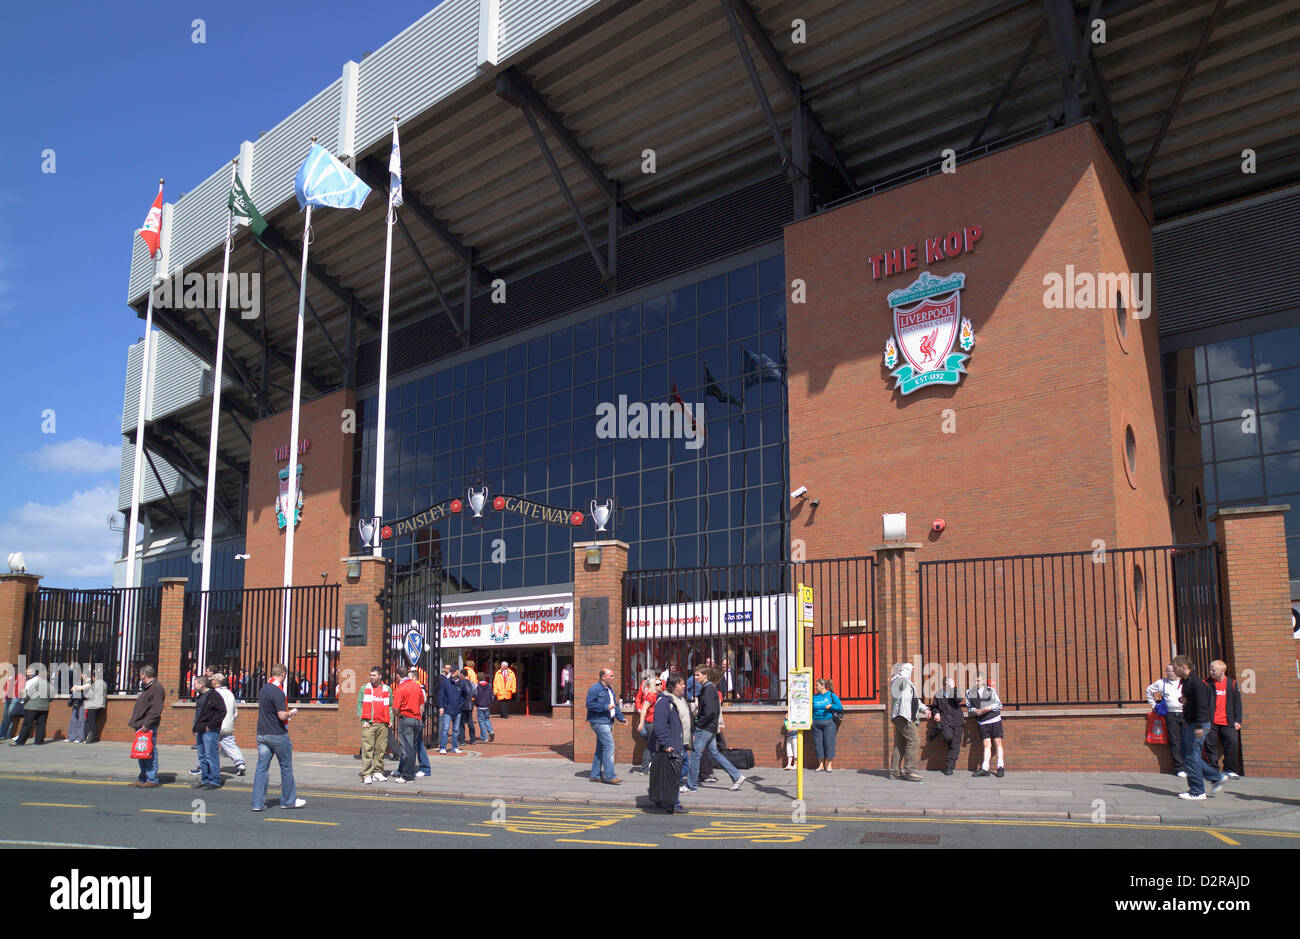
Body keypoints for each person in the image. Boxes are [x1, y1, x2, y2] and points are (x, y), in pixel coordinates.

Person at [1172, 655, 1227, 800]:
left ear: (1184, 667)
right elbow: (1193, 701)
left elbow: (1203, 706)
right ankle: (1216, 777)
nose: (1173, 669)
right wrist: (1183, 700)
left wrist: (1199, 726)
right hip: (1190, 723)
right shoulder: (1187, 682)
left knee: (1191, 757)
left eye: (1175, 667)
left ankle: (1197, 791)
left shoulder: (1196, 683)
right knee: (1186, 755)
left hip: (1197, 724)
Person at [251, 663, 305, 811]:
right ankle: (288, 801)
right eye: (285, 675)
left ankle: (257, 803)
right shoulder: (277, 691)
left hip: (262, 733)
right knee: (286, 767)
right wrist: (292, 712)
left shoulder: (264, 689)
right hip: (277, 734)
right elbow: (282, 715)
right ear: (282, 674)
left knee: (261, 768)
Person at [687, 666, 746, 791]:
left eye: (698, 675)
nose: (695, 677)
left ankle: (691, 785)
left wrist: (698, 723)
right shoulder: (709, 688)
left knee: (695, 755)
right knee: (714, 753)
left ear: (705, 675)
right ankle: (737, 776)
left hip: (705, 728)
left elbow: (709, 712)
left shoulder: (707, 689)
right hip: (710, 727)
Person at [647, 673, 688, 814]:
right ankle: (673, 802)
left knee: (681, 769)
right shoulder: (665, 701)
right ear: (673, 685)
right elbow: (659, 725)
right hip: (670, 744)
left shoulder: (680, 699)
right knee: (674, 773)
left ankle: (662, 794)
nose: (684, 686)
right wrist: (666, 743)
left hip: (680, 742)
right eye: (681, 683)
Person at [889, 663, 930, 782]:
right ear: (902, 670)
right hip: (903, 716)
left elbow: (915, 700)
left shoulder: (909, 684)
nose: (910, 672)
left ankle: (895, 772)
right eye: (908, 670)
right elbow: (897, 685)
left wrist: (925, 708)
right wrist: (898, 675)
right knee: (914, 741)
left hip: (903, 716)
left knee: (899, 744)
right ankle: (910, 771)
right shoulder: (899, 680)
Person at [586, 668, 627, 784]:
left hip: (607, 721)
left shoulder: (609, 690)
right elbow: (589, 704)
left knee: (601, 749)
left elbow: (614, 706)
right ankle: (610, 776)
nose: (613, 678)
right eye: (611, 676)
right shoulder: (595, 689)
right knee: (609, 746)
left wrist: (621, 718)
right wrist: (605, 707)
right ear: (603, 677)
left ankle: (595, 776)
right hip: (599, 722)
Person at [1204, 659, 1243, 779]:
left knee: (1232, 743)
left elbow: (1237, 703)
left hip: (1227, 721)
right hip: (1211, 721)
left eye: (1213, 670)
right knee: (1209, 745)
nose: (1210, 672)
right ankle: (1213, 770)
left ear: (1222, 671)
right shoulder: (1206, 683)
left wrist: (1237, 720)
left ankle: (1230, 770)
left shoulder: (1231, 683)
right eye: (1210, 669)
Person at [127, 665, 165, 787]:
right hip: (140, 725)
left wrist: (147, 723)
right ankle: (143, 777)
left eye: (140, 674)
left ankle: (152, 779)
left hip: (147, 725)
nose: (139, 676)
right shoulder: (147, 687)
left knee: (150, 751)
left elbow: (156, 709)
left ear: (144, 674)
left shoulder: (156, 688)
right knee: (142, 751)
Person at [1145, 663, 1185, 777]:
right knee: (1174, 741)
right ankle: (1179, 768)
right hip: (1171, 714)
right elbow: (1148, 691)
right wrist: (1153, 705)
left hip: (1185, 713)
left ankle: (1189, 765)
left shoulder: (1185, 682)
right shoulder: (1161, 682)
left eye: (1170, 671)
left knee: (1187, 740)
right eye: (1166, 671)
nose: (1167, 673)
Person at [357, 666, 394, 784]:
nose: (371, 677)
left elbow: (390, 706)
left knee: (381, 750)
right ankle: (366, 774)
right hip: (369, 724)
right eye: (371, 675)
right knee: (367, 749)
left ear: (380, 676)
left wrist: (391, 719)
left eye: (374, 675)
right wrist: (363, 721)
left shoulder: (387, 689)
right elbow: (359, 705)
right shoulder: (364, 688)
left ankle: (378, 771)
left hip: (382, 723)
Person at [964, 671, 1004, 777]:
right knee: (986, 745)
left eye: (978, 680)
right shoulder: (969, 692)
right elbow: (969, 707)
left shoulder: (991, 690)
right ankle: (985, 768)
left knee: (998, 743)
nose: (976, 683)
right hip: (982, 721)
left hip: (994, 719)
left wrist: (989, 708)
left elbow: (999, 704)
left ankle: (1000, 767)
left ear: (984, 681)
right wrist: (974, 710)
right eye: (975, 680)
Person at [192, 676, 227, 790]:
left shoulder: (213, 695)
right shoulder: (201, 696)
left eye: (195, 683)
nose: (193, 685)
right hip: (201, 729)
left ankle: (215, 781)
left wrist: (211, 725)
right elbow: (198, 714)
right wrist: (195, 728)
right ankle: (205, 779)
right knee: (202, 756)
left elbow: (222, 711)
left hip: (210, 731)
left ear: (202, 684)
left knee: (211, 755)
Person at [393, 666, 427, 781]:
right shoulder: (417, 686)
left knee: (406, 748)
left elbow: (396, 708)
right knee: (412, 747)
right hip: (417, 719)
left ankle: (407, 775)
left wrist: (397, 716)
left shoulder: (400, 688)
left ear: (398, 675)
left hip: (406, 719)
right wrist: (419, 717)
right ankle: (406, 771)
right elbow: (422, 705)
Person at [927, 677, 965, 775]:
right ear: (943, 685)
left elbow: (959, 699)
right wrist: (936, 713)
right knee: (948, 737)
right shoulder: (938, 695)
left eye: (951, 685)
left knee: (955, 746)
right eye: (947, 685)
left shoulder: (954, 692)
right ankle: (940, 732)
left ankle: (949, 767)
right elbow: (934, 707)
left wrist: (953, 688)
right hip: (945, 722)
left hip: (957, 721)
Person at [211, 674, 246, 776]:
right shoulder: (230, 694)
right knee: (231, 745)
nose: (211, 681)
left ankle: (201, 767)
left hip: (216, 725)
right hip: (228, 725)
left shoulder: (214, 694)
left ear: (216, 682)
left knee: (207, 746)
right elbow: (235, 712)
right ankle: (240, 764)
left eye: (212, 680)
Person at [11, 665, 51, 747]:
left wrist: (24, 701)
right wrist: (46, 702)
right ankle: (39, 741)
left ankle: (20, 741)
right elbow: (51, 696)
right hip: (44, 708)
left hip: (31, 707)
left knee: (27, 724)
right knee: (41, 724)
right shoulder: (48, 685)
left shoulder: (35, 684)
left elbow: (27, 694)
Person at [811, 678, 844, 772]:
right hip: (816, 723)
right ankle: (821, 765)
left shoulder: (831, 695)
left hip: (829, 723)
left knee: (829, 744)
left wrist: (831, 706)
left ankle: (829, 764)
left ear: (823, 686)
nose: (815, 687)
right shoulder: (814, 697)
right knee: (818, 745)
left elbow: (840, 707)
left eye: (817, 685)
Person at [631, 675, 661, 775]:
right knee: (651, 745)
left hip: (653, 722)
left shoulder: (657, 694)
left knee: (652, 744)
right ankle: (645, 767)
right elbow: (643, 708)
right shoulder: (652, 695)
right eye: (657, 684)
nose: (660, 686)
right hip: (651, 722)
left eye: (660, 684)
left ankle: (648, 766)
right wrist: (641, 723)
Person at [437, 664, 467, 754]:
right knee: (445, 728)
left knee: (456, 729)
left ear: (458, 671)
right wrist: (441, 706)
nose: (452, 672)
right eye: (451, 671)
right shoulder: (446, 682)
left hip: (457, 710)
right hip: (448, 709)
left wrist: (460, 705)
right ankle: (443, 747)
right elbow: (441, 695)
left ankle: (454, 747)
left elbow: (464, 695)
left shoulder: (462, 683)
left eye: (453, 671)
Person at [1, 665, 24, 740]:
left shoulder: (21, 677)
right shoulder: (10, 677)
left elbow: (21, 689)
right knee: (7, 717)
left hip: (15, 698)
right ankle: (5, 735)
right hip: (8, 698)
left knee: (8, 716)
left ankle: (3, 735)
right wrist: (4, 697)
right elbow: (6, 688)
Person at [66, 669, 89, 743]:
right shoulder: (79, 682)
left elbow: (81, 688)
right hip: (76, 701)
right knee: (74, 719)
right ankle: (71, 736)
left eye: (83, 674)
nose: (81, 675)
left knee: (81, 720)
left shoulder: (88, 682)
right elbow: (72, 689)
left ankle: (80, 737)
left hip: (84, 702)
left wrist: (76, 687)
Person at [474, 670, 495, 742]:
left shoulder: (477, 686)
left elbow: (476, 696)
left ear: (478, 678)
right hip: (487, 705)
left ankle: (484, 737)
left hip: (480, 706)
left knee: (481, 722)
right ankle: (491, 731)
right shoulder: (489, 685)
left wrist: (476, 703)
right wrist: (489, 703)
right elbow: (492, 696)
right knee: (487, 719)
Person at [459, 667, 477, 745]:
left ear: (462, 675)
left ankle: (462, 740)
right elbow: (475, 693)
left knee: (461, 723)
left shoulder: (461, 683)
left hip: (462, 705)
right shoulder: (472, 683)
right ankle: (472, 739)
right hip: (470, 704)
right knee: (470, 722)